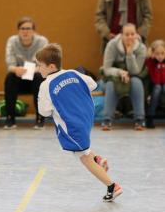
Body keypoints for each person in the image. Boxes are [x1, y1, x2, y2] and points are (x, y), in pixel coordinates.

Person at [36, 43, 122, 202]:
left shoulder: (46, 85)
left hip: (72, 125)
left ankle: (112, 186)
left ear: (51, 66)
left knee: (84, 158)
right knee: (83, 148)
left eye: (39, 65)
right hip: (86, 117)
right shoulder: (73, 73)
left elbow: (44, 112)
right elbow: (93, 84)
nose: (37, 69)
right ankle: (98, 159)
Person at [4, 16, 48, 129]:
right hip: (19, 78)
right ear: (18, 31)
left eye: (28, 28)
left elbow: (45, 66)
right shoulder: (12, 41)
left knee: (39, 77)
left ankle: (40, 118)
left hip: (36, 78)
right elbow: (10, 64)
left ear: (33, 31)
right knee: (10, 77)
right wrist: (16, 69)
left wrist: (31, 70)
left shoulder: (42, 41)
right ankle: (10, 118)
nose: (25, 31)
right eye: (22, 28)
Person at [101, 23, 147, 131]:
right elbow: (106, 69)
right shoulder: (112, 45)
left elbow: (136, 71)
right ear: (121, 35)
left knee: (137, 83)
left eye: (132, 34)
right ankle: (107, 120)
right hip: (111, 77)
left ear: (136, 35)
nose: (130, 37)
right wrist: (120, 72)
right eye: (127, 34)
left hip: (131, 77)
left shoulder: (141, 48)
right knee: (111, 85)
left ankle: (139, 120)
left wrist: (130, 54)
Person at [145, 39, 165, 128]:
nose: (160, 56)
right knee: (157, 88)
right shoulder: (151, 62)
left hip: (163, 84)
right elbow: (155, 79)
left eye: (162, 53)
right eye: (157, 53)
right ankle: (150, 117)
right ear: (153, 54)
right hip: (153, 85)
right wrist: (157, 64)